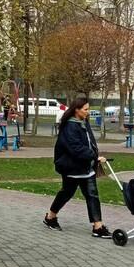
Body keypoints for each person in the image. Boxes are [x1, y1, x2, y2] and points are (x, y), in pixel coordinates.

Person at [43, 97, 112, 238]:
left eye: (89, 109)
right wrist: (94, 156)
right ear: (76, 110)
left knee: (92, 195)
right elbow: (75, 148)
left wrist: (94, 155)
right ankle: (50, 217)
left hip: (86, 167)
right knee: (66, 193)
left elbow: (89, 142)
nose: (88, 112)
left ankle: (97, 226)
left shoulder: (83, 122)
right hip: (72, 167)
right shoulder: (69, 126)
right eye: (86, 109)